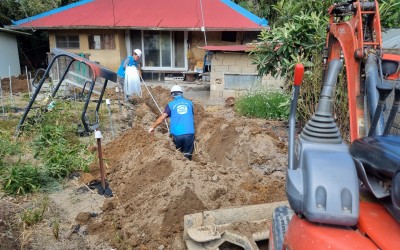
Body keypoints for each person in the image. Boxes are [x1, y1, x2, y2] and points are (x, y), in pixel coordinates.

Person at [149, 85, 195, 160]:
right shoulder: (190, 103)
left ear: (172, 95)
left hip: (177, 134)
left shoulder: (171, 105)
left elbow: (162, 118)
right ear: (182, 94)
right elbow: (190, 115)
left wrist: (152, 127)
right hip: (190, 134)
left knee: (177, 156)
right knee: (187, 155)